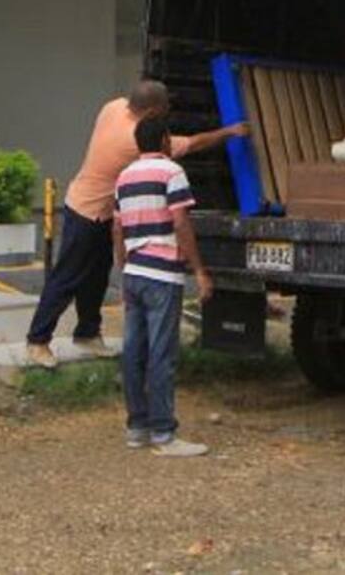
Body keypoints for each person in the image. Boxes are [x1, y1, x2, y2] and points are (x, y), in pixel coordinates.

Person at [25, 80, 247, 369]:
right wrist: (231, 132)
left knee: (95, 277)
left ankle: (88, 333)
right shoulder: (133, 139)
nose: (169, 110)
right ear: (153, 110)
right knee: (68, 277)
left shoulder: (113, 107)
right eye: (166, 106)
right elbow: (192, 144)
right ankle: (37, 340)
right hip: (87, 211)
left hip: (94, 207)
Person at [114, 116, 210, 457]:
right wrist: (198, 269)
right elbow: (180, 221)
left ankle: (137, 427)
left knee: (133, 352)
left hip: (135, 272)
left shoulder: (123, 177)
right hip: (162, 275)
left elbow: (118, 229)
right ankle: (164, 434)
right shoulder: (172, 173)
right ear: (166, 140)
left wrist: (123, 270)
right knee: (161, 353)